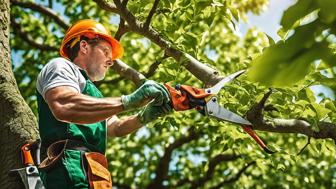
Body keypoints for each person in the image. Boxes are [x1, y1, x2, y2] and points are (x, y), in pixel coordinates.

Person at [36, 19, 172, 189]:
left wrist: (144, 116)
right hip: (69, 164)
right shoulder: (61, 66)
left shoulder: (94, 94)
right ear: (84, 46)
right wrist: (127, 101)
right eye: (106, 51)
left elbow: (115, 126)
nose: (110, 61)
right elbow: (64, 104)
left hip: (93, 170)